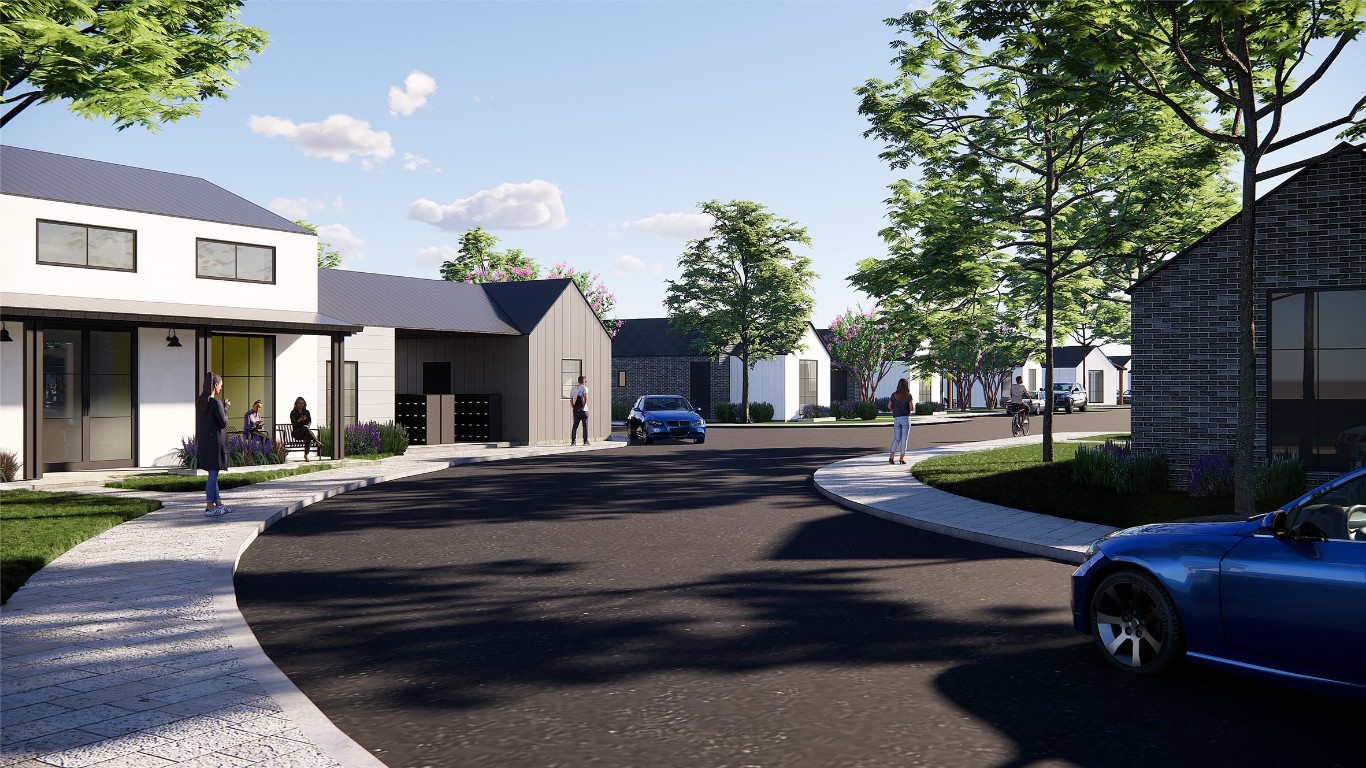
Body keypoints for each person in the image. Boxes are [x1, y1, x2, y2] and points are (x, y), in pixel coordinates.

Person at [197, 372, 231, 517]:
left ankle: (218, 504)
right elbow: (223, 422)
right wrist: (226, 407)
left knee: (213, 473)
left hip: (205, 442)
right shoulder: (216, 403)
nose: (221, 388)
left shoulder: (200, 401)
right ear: (215, 385)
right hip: (215, 444)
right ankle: (209, 507)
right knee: (213, 475)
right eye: (220, 385)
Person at [888, 378, 914, 465]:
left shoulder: (893, 395)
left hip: (896, 419)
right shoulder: (908, 395)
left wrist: (895, 409)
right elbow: (911, 408)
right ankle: (901, 459)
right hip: (905, 418)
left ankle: (891, 456)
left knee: (897, 438)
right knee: (904, 439)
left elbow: (889, 406)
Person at [290, 397, 321, 461]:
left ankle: (306, 455)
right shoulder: (293, 412)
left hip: (305, 431)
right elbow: (294, 424)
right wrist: (299, 420)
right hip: (297, 432)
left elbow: (309, 422)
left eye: (302, 403)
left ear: (304, 404)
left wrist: (307, 426)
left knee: (308, 436)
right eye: (299, 403)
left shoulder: (306, 412)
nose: (301, 405)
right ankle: (316, 441)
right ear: (296, 404)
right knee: (305, 430)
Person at [570, 375, 590, 445]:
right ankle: (585, 441)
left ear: (578, 381)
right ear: (584, 382)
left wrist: (574, 407)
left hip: (576, 410)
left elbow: (571, 400)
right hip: (584, 410)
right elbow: (586, 398)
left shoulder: (573, 390)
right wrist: (583, 406)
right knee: (585, 426)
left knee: (575, 426)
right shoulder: (585, 388)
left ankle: (573, 441)